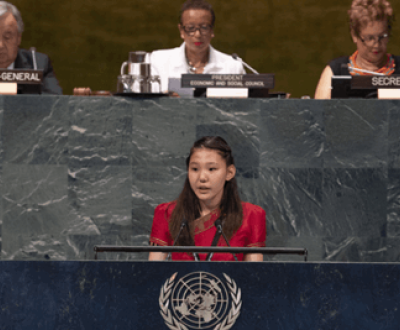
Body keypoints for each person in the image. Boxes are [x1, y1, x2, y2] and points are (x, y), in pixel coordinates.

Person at [149, 136, 266, 261]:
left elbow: (254, 277)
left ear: (229, 172)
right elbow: (154, 274)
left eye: (211, 169)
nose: (202, 177)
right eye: (194, 169)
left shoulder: (252, 215)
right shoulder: (166, 213)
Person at [149, 0, 245, 93]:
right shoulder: (158, 61)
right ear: (181, 31)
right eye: (190, 28)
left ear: (212, 31)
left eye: (204, 27)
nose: (198, 34)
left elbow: (243, 106)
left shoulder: (232, 67)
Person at [314, 0, 400, 99]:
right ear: (354, 36)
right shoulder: (335, 72)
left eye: (382, 37)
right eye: (369, 38)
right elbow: (319, 113)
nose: (376, 44)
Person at [0, 2, 62, 94]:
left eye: (7, 37)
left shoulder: (37, 64)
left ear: (18, 39)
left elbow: (55, 101)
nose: (0, 45)